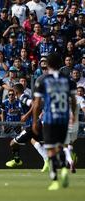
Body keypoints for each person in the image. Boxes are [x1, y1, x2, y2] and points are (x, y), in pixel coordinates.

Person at [32, 52, 77, 190]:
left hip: (50, 119)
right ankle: (63, 169)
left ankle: (55, 180)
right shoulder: (69, 81)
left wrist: (34, 120)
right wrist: (73, 115)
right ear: (60, 64)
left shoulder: (43, 80)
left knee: (51, 149)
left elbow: (38, 103)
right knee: (61, 146)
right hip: (64, 119)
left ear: (48, 65)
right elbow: (73, 100)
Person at [5, 83, 48, 172]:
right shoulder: (22, 98)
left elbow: (34, 104)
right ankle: (47, 160)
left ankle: (17, 161)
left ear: (16, 91)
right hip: (35, 124)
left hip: (32, 125)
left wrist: (26, 115)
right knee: (34, 141)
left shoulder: (22, 97)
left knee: (13, 143)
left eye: (13, 91)